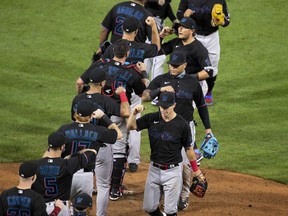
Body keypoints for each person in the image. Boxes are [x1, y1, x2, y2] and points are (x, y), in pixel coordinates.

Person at [141, 51, 214, 211]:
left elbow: (201, 106)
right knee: (163, 158)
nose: (172, 68)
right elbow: (145, 96)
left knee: (186, 164)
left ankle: (184, 195)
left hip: (186, 126)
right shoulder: (161, 80)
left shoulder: (192, 82)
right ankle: (159, 193)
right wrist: (159, 90)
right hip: (164, 125)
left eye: (176, 65)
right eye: (171, 65)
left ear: (184, 65)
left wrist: (208, 129)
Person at [76, 39, 147, 201]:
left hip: (94, 113)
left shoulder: (99, 64)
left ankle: (88, 183)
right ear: (127, 53)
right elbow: (144, 94)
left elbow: (79, 82)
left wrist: (80, 97)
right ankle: (115, 189)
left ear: (113, 51)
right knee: (119, 150)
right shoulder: (133, 71)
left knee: (91, 144)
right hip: (119, 113)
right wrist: (144, 73)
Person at [127, 91, 205, 216]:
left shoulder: (183, 125)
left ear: (174, 105)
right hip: (154, 170)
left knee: (170, 211)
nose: (163, 110)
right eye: (161, 106)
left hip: (172, 172)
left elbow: (189, 149)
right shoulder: (152, 118)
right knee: (149, 208)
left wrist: (196, 170)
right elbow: (131, 126)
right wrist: (134, 113)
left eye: (166, 107)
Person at [103, 16, 160, 173]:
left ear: (122, 30)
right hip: (135, 89)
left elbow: (104, 66)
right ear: (136, 32)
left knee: (113, 122)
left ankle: (112, 157)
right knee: (134, 122)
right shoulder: (141, 47)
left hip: (114, 91)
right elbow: (156, 47)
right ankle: (133, 161)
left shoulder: (111, 48)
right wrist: (154, 27)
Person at [71, 77, 128, 216]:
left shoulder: (77, 100)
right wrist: (104, 116)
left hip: (79, 151)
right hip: (101, 147)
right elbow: (125, 116)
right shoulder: (106, 101)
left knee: (73, 186)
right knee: (103, 186)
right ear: (102, 83)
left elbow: (74, 121)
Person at [177, 0, 230, 105]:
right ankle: (186, 90)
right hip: (194, 36)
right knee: (190, 64)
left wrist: (221, 21)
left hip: (212, 36)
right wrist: (185, 15)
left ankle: (209, 91)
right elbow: (179, 14)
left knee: (212, 66)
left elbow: (227, 20)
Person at [31, 131, 97, 215]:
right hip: (61, 208)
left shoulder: (34, 165)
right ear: (62, 147)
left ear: (48, 146)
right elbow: (93, 152)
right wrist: (73, 155)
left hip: (40, 209)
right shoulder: (68, 164)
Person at [144, 0, 179, 82]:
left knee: (155, 65)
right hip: (145, 40)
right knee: (146, 68)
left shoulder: (166, 5)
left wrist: (176, 31)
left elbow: (174, 20)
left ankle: (153, 87)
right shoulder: (147, 3)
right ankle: (145, 89)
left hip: (159, 39)